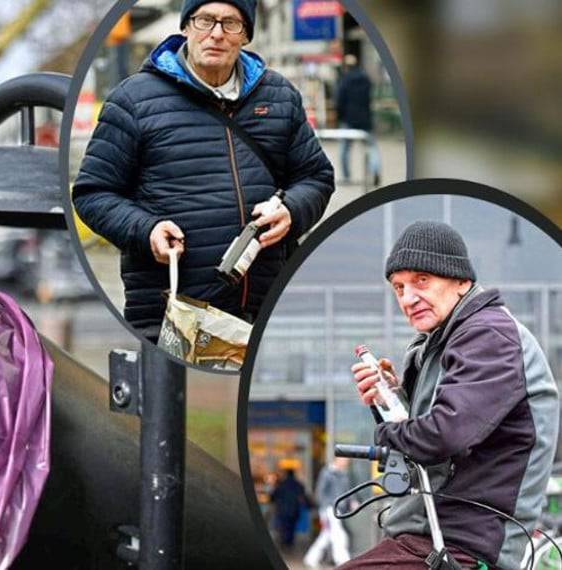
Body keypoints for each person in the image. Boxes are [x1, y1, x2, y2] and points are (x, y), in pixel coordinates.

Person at [72, 0, 334, 338]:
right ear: (185, 26)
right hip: (173, 317)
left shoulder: (279, 96)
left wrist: (292, 210)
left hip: (267, 313)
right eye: (204, 20)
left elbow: (316, 177)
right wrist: (146, 229)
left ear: (246, 35)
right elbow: (93, 193)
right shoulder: (133, 101)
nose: (216, 34)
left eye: (231, 24)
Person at [345, 221, 559, 569]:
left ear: (461, 281)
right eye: (398, 287)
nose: (408, 298)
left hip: (462, 543)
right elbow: (435, 433)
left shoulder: (488, 334)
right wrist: (390, 402)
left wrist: (384, 435)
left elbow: (445, 434)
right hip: (434, 532)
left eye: (421, 281)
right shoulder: (449, 337)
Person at [335, 54, 380, 186]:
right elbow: (368, 99)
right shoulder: (366, 79)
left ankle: (346, 176)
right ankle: (375, 170)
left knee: (344, 149)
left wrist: (340, 117)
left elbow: (339, 101)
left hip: (348, 119)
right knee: (371, 147)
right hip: (365, 118)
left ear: (346, 67)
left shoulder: (345, 80)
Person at [304, 457, 354, 568]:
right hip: (330, 510)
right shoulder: (327, 473)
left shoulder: (343, 474)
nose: (346, 463)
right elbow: (319, 493)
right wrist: (326, 507)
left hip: (338, 510)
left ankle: (311, 558)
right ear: (337, 460)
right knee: (339, 535)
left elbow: (348, 491)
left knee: (326, 536)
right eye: (345, 461)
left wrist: (352, 501)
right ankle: (343, 561)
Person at [270, 468, 309, 549]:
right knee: (291, 528)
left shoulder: (281, 484)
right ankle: (289, 543)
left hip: (282, 510)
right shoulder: (298, 484)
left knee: (283, 527)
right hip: (294, 509)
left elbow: (273, 496)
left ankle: (284, 543)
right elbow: (302, 495)